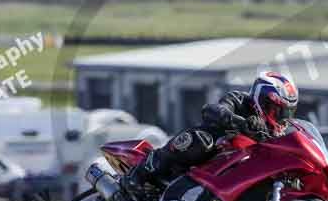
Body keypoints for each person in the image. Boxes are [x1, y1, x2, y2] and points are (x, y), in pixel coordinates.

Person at [122, 71, 298, 194]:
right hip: (215, 152)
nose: (282, 118)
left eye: (287, 113)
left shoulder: (276, 136)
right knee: (201, 139)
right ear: (263, 100)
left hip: (236, 175)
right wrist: (241, 122)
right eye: (278, 111)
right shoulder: (239, 100)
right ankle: (142, 170)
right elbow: (213, 109)